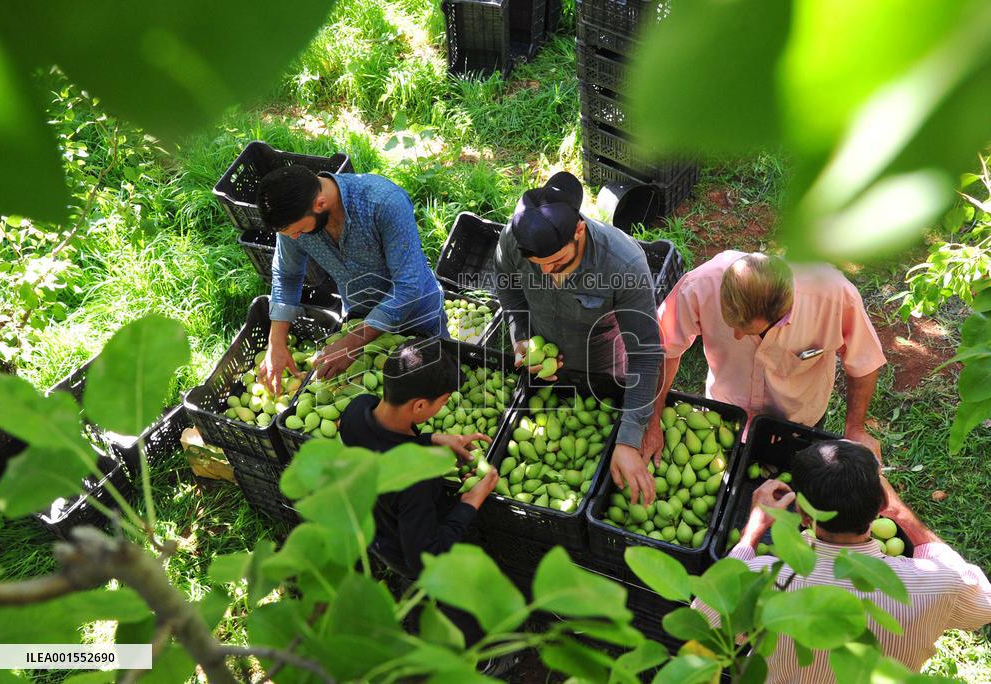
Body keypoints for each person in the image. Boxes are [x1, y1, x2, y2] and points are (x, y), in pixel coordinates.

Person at [695, 440, 991, 681]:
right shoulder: (938, 583)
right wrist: (902, 514)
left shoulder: (760, 581)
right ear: (880, 506)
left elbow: (704, 619)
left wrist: (752, 533)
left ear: (803, 515)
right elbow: (985, 606)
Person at [494, 171, 662, 505]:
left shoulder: (624, 264)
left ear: (579, 231)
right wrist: (521, 338)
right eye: (538, 267)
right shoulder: (512, 240)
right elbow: (510, 295)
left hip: (601, 362)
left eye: (557, 264)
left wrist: (628, 440)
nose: (547, 275)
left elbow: (645, 354)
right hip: (543, 358)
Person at [643, 251, 886, 461]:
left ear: (781, 315)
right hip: (726, 408)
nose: (737, 336)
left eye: (747, 330)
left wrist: (855, 428)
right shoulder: (702, 284)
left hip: (799, 418)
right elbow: (665, 348)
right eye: (730, 324)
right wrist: (653, 416)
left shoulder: (833, 297)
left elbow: (864, 362)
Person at [255, 164, 447, 394]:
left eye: (299, 231)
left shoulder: (384, 203)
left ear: (320, 204)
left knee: (436, 383)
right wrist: (276, 342)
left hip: (418, 316)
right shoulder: (296, 219)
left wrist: (351, 343)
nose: (295, 238)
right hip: (360, 315)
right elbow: (287, 275)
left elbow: (409, 285)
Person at [338, 338, 499, 579]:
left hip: (376, 525)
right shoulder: (415, 478)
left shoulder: (358, 408)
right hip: (403, 550)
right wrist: (469, 502)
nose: (444, 407)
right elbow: (424, 559)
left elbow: (381, 443)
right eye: (444, 402)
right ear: (421, 405)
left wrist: (430, 439)